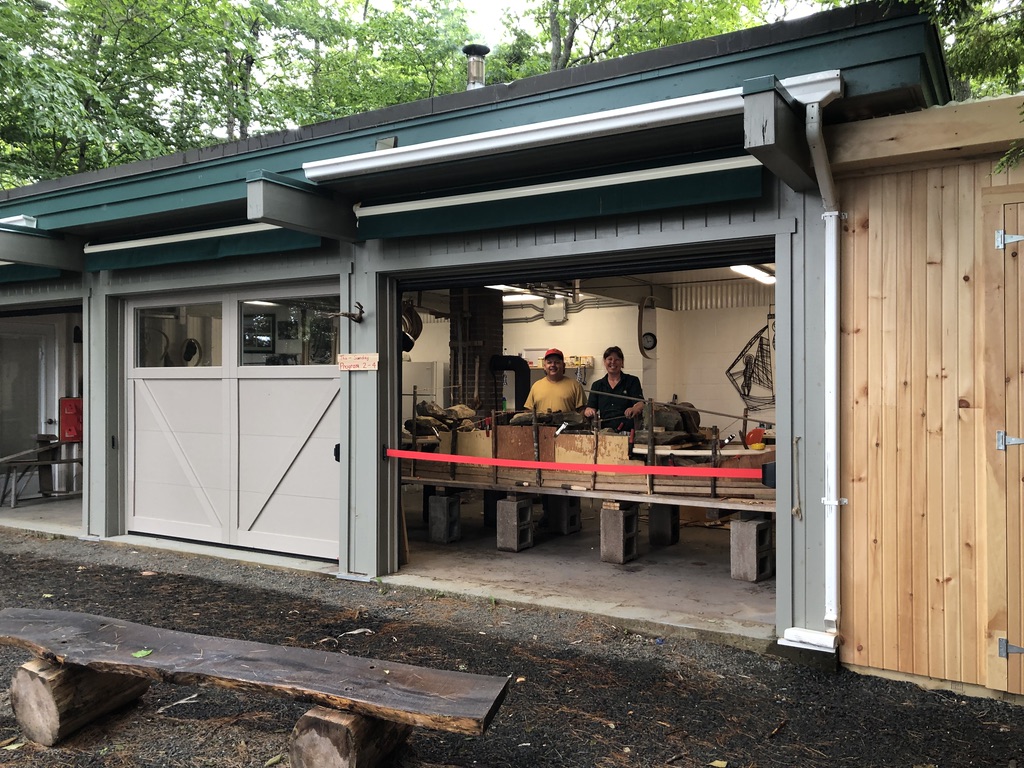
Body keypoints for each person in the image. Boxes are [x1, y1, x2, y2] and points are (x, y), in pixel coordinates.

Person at [584, 346, 645, 431]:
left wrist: (634, 408)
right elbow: (590, 407)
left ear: (622, 363)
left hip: (627, 432)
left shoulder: (632, 381)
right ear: (604, 362)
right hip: (605, 432)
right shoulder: (597, 385)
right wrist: (589, 411)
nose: (613, 362)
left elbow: (640, 403)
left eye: (617, 360)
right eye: (610, 359)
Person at [523, 348, 585, 413]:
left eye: (557, 362)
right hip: (541, 423)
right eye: (549, 362)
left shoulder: (575, 385)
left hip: (566, 423)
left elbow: (581, 410)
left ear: (563, 365)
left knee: (565, 424)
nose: (553, 365)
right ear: (544, 366)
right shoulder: (536, 386)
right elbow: (529, 410)